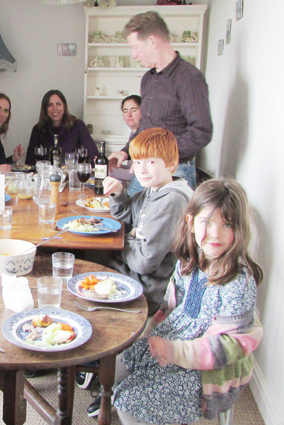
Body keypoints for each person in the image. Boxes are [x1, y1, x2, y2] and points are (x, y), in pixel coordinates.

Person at [87, 179, 263, 423]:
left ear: (240, 229)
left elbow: (230, 346)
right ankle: (129, 398)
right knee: (115, 366)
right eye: (206, 222)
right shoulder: (190, 260)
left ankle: (136, 405)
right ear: (191, 222)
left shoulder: (239, 281)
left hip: (207, 369)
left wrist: (174, 351)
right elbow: (168, 306)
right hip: (173, 341)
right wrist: (150, 335)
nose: (215, 234)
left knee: (129, 402)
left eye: (227, 224)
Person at [108, 11, 213, 192]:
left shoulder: (189, 77)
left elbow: (201, 132)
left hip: (175, 172)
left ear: (152, 41)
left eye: (135, 47)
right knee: (123, 208)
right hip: (144, 169)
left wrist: (158, 156)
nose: (134, 55)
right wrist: (126, 152)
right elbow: (144, 127)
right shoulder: (148, 79)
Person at [103, 128, 193, 316]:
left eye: (151, 162)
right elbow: (125, 214)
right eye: (137, 162)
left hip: (148, 290)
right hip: (132, 273)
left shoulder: (172, 201)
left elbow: (144, 262)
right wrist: (118, 193)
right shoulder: (153, 190)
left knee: (77, 271)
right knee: (79, 260)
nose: (141, 170)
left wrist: (124, 239)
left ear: (171, 164)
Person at [25, 89, 98, 165]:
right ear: (45, 109)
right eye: (50, 105)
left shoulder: (78, 125)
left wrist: (96, 169)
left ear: (64, 106)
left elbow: (93, 153)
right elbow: (29, 161)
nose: (55, 108)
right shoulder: (38, 129)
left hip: (71, 171)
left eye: (58, 104)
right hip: (47, 171)